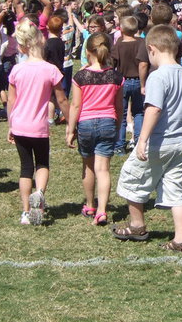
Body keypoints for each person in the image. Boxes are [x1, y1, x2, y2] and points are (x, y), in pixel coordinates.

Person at [113, 24, 182, 251]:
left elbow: (154, 109)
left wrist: (142, 139)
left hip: (159, 142)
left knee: (132, 177)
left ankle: (137, 225)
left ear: (152, 49)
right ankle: (181, 238)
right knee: (176, 189)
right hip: (181, 142)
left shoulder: (158, 77)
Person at [7, 19, 69, 225]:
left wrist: (10, 125)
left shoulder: (17, 70)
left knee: (25, 168)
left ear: (22, 46)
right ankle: (40, 193)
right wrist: (71, 122)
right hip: (39, 126)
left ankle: (26, 211)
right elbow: (61, 99)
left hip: (20, 125)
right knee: (42, 163)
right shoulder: (51, 70)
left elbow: (11, 101)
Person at [66, 32, 123, 226]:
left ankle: (90, 204)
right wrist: (117, 125)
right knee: (103, 169)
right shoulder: (116, 76)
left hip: (86, 124)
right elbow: (119, 107)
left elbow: (75, 106)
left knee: (88, 166)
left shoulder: (81, 76)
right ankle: (102, 211)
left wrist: (70, 129)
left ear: (88, 51)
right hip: (108, 121)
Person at [111, 15, 149, 155]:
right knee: (139, 112)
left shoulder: (118, 44)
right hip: (139, 81)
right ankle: (139, 141)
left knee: (121, 113)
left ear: (121, 29)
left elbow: (112, 63)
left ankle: (120, 144)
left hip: (123, 81)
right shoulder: (141, 42)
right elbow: (144, 63)